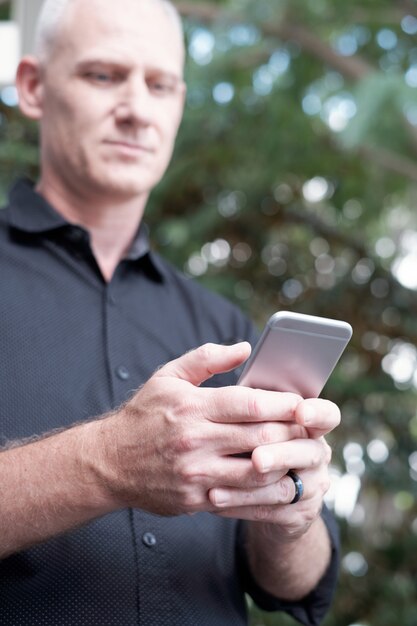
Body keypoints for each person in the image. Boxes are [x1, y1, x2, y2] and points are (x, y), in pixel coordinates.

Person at [0, 0, 341, 624]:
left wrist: (293, 517)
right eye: (103, 75)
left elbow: (297, 587)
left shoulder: (228, 330)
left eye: (160, 85)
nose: (136, 110)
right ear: (32, 87)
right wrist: (106, 464)